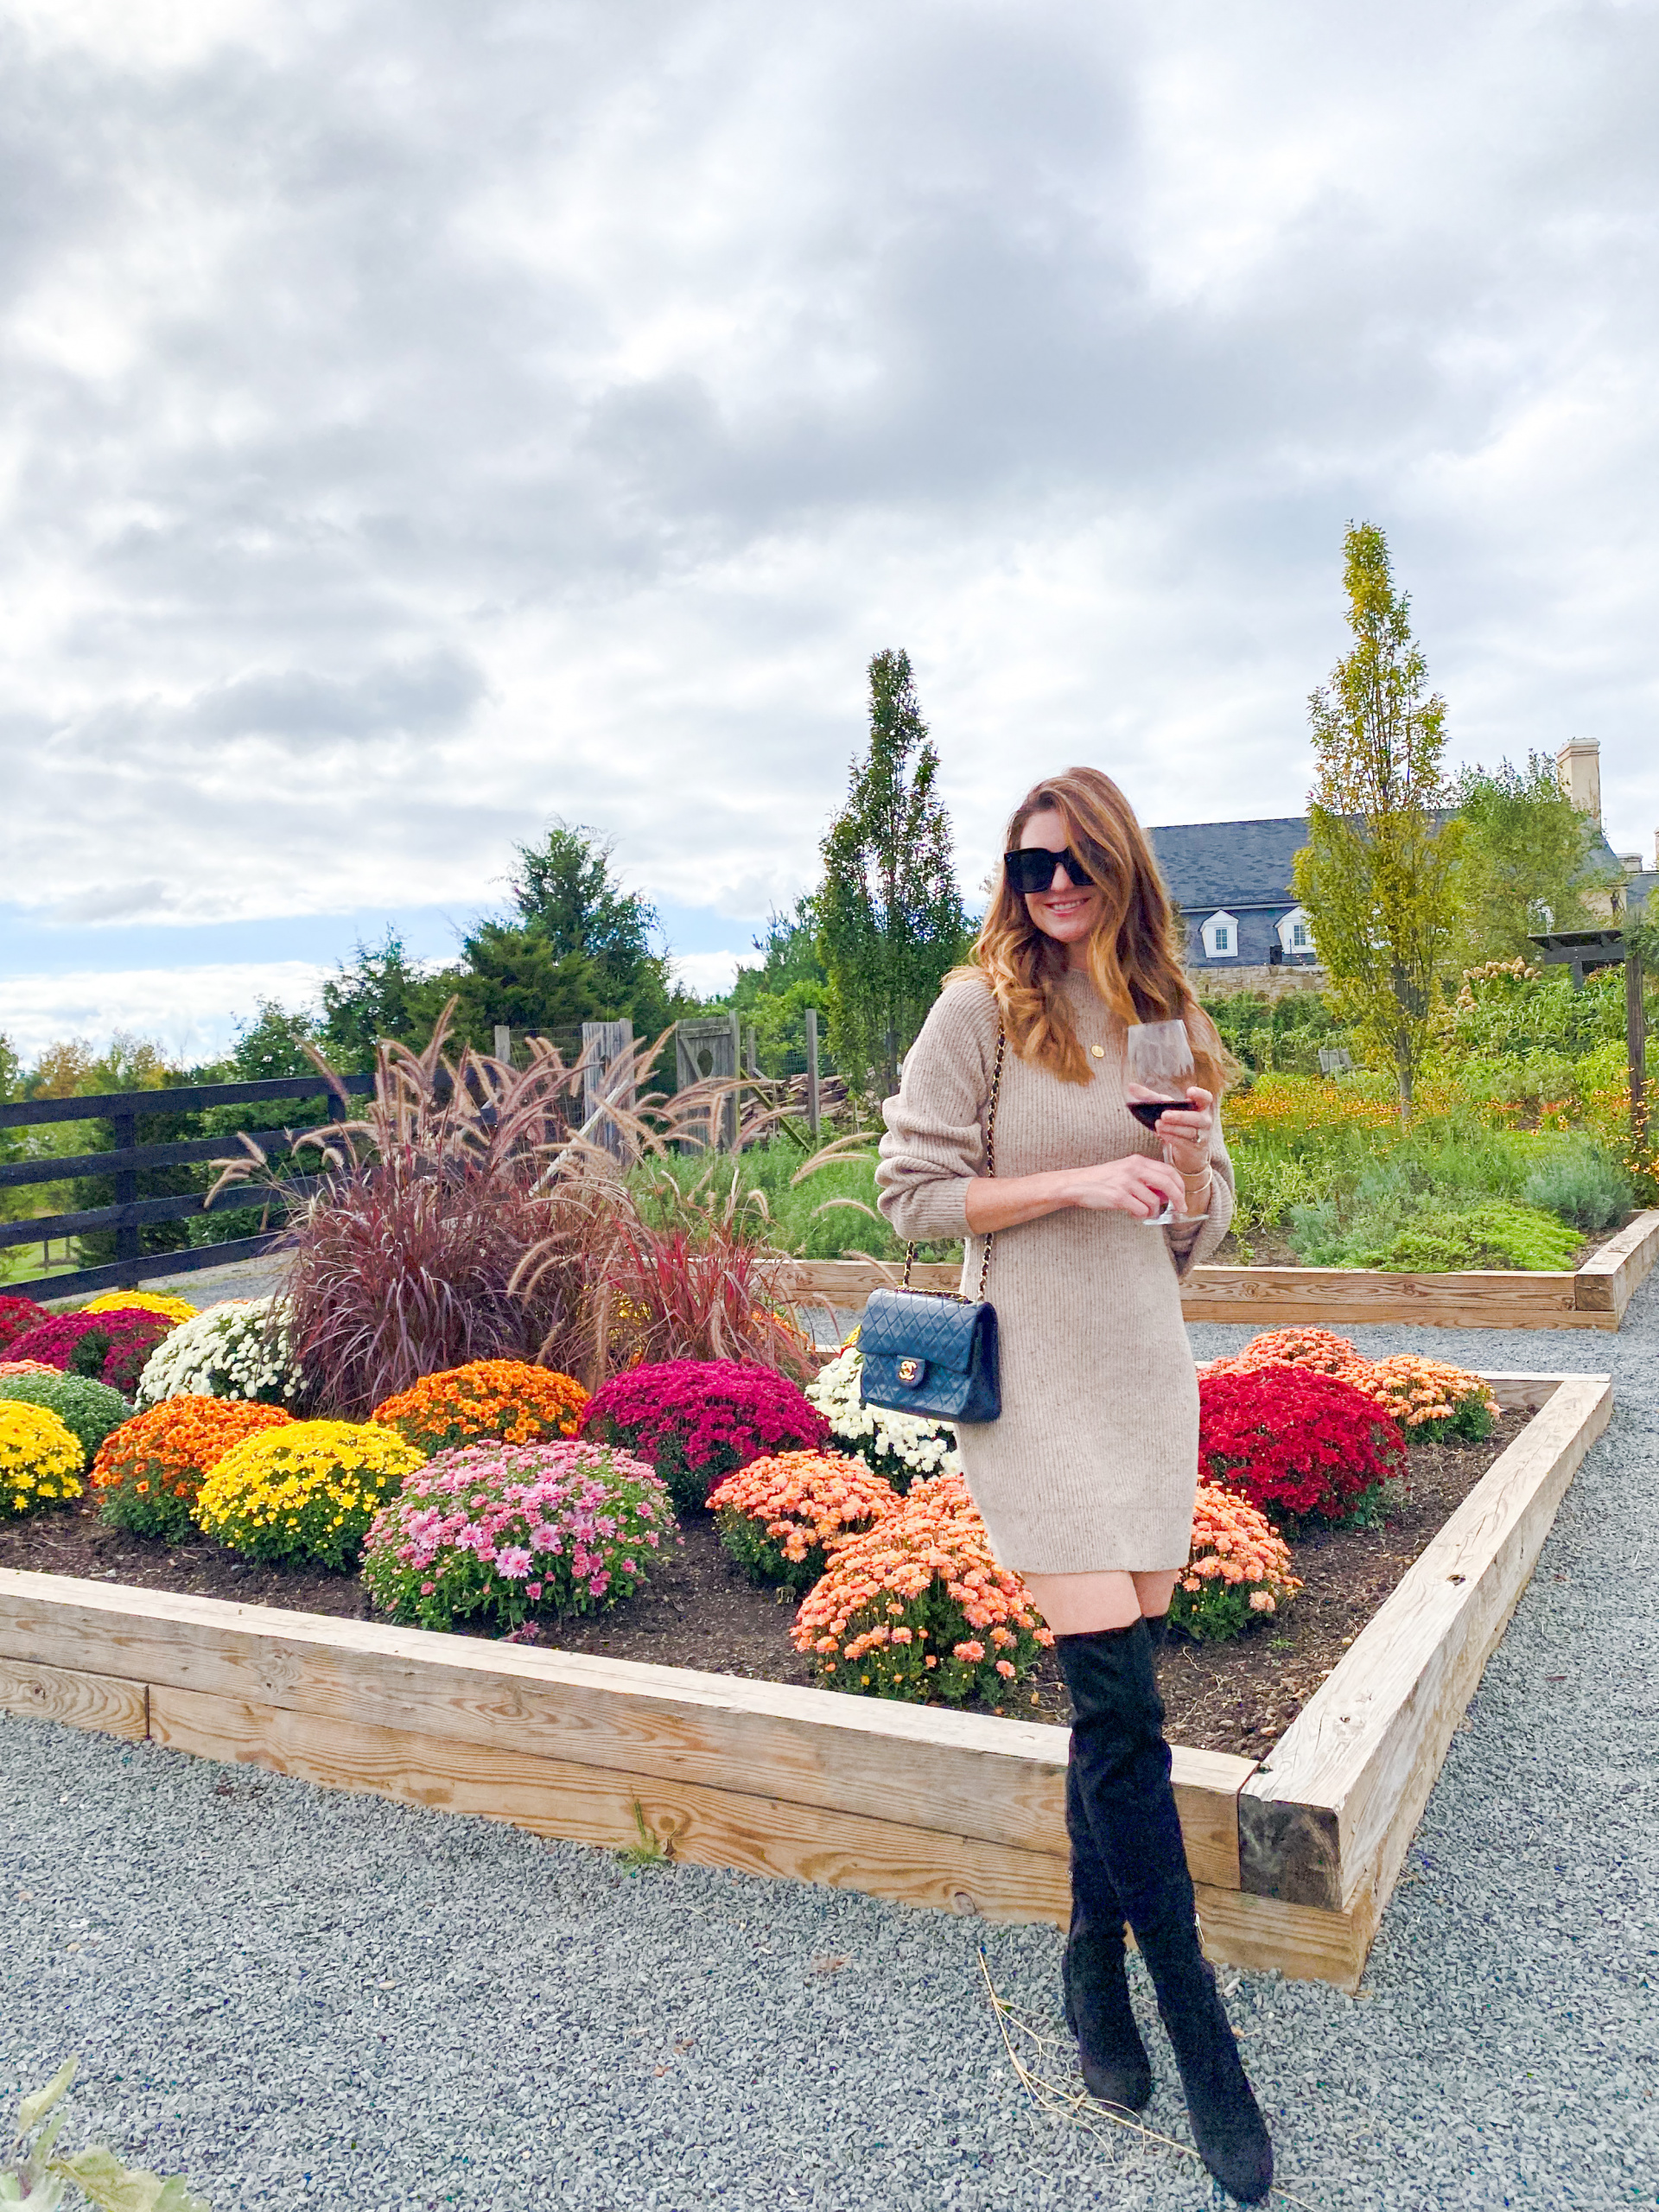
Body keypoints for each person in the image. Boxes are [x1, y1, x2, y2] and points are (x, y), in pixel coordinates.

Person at [874, 766, 1274, 2204]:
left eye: (1073, 868)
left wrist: (1180, 1172)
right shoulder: (980, 1005)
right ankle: (1201, 2040)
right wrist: (1079, 1183)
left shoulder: (1168, 1014)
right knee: (1122, 1708)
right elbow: (913, 1195)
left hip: (1142, 1374)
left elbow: (1201, 1231)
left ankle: (1089, 1966)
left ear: (1120, 874)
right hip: (1030, 1382)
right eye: (1028, 867)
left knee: (1114, 1724)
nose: (1050, 891)